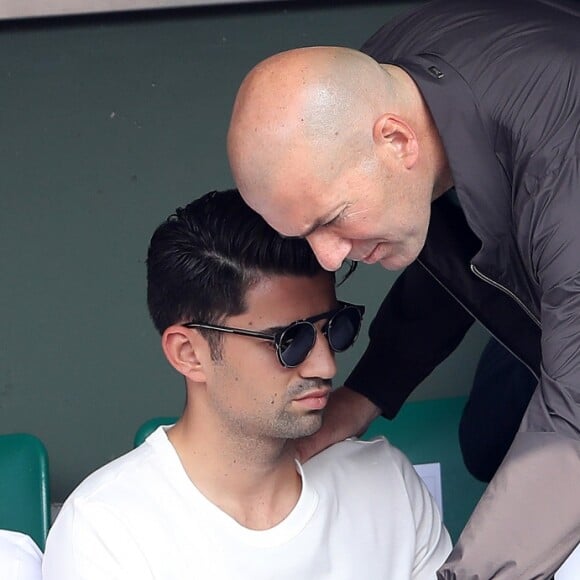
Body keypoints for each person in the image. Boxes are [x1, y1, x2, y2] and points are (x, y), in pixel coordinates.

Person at [226, 1, 580, 578]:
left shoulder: (563, 162)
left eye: (334, 218)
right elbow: (442, 230)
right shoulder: (392, 82)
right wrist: (366, 394)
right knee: (489, 439)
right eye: (306, 232)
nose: (328, 258)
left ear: (396, 141)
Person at [42, 189, 450, 579]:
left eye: (334, 328)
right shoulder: (106, 532)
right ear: (188, 353)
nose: (325, 364)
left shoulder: (386, 483)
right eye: (289, 341)